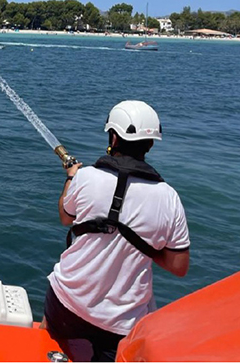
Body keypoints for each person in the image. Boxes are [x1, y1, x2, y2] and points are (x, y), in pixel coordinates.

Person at [42, 100, 190, 361]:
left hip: (67, 302)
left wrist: (71, 177)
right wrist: (143, 243)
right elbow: (179, 266)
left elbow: (66, 216)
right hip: (120, 322)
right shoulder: (169, 198)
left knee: (46, 345)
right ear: (151, 144)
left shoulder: (86, 177)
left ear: (113, 137)